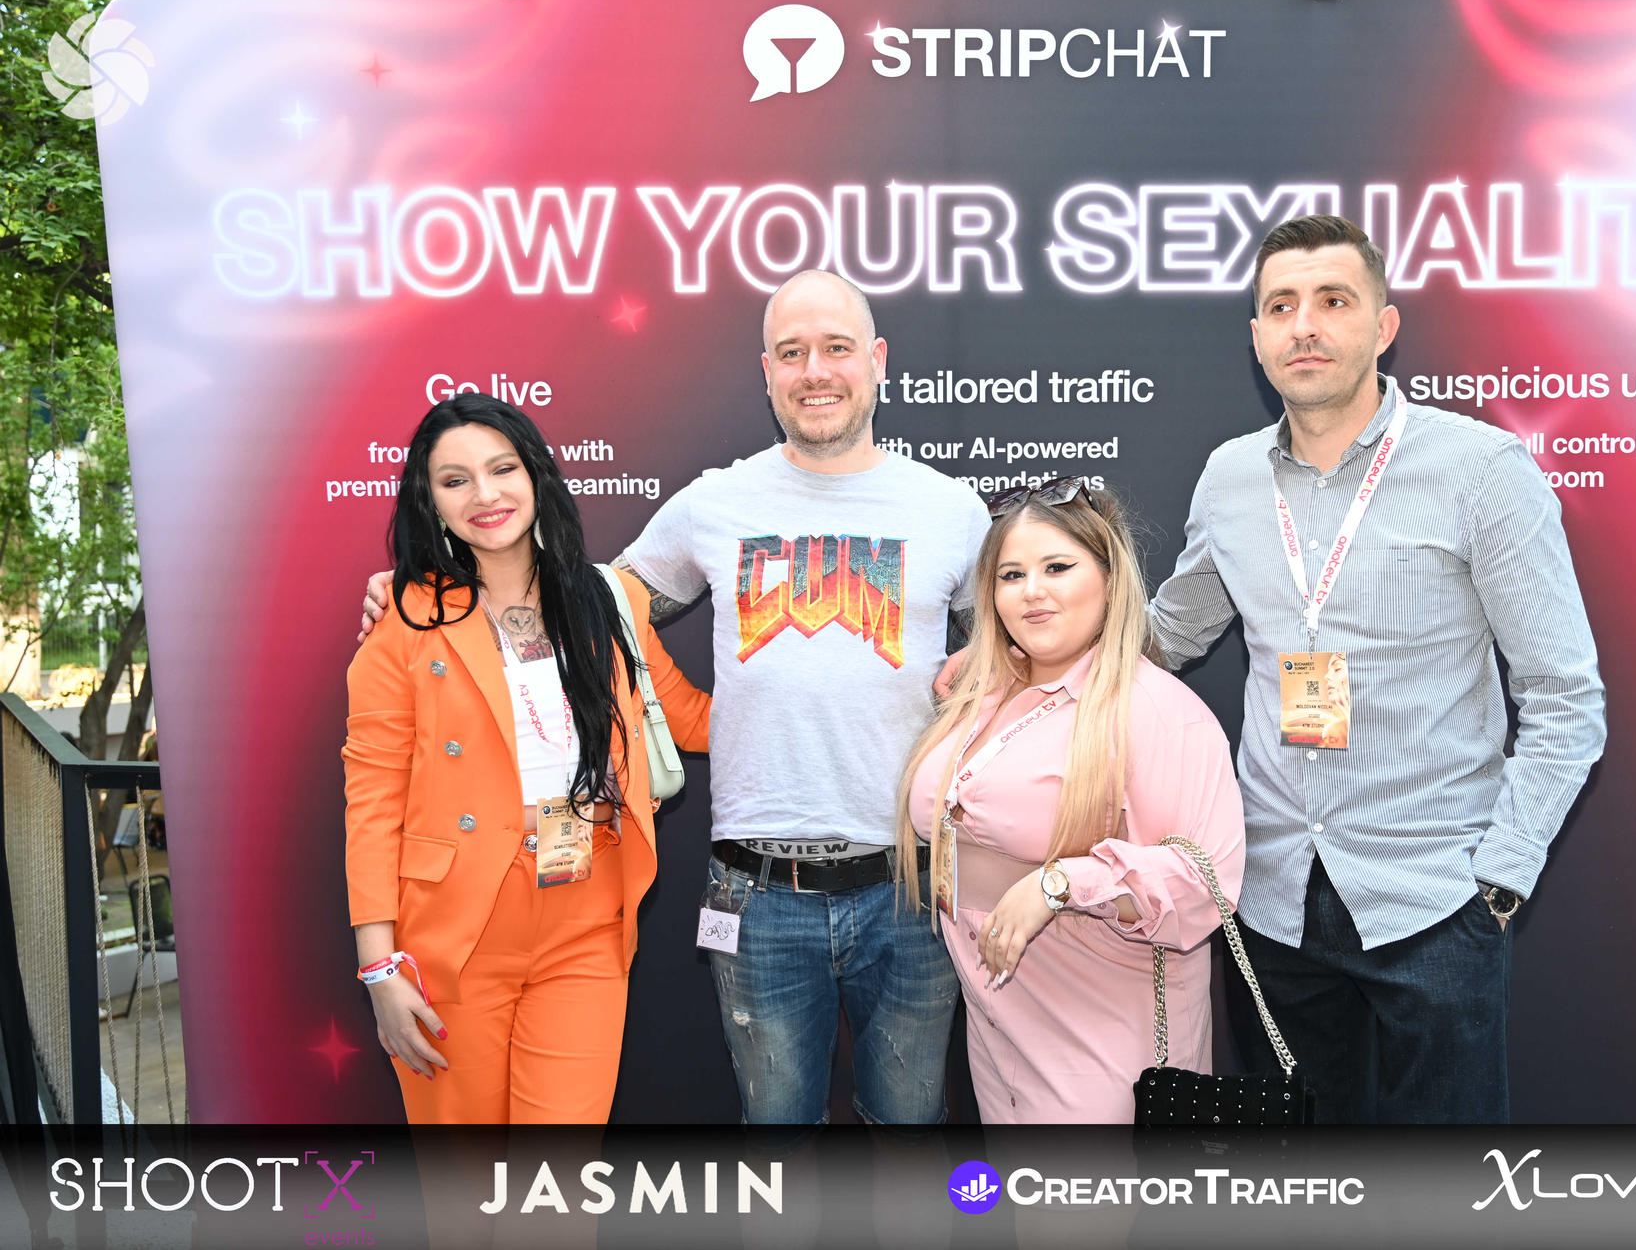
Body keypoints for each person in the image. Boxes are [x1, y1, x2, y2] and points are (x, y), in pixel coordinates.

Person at [360, 271, 992, 1126]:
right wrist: (423, 596)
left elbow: (1014, 653)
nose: (815, 371)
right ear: (766, 371)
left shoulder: (952, 509)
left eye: (837, 348)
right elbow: (591, 604)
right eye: (792, 353)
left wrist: (987, 666)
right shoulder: (713, 503)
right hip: (757, 895)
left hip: (911, 887)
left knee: (911, 1128)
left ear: (877, 360)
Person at [1149, 214, 1606, 1122]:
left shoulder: (1481, 468)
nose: (1305, 326)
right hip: (1272, 904)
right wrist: (1010, 662)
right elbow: (1169, 632)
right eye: (1282, 306)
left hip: (1434, 904)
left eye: (1334, 301)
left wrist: (1499, 878)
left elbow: (1564, 698)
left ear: (1384, 325)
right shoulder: (1229, 478)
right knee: (1304, 1183)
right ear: (1257, 337)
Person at [344, 392, 710, 1123]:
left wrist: (862, 698)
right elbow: (373, 802)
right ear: (430, 501)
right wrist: (380, 968)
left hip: (587, 919)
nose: (485, 494)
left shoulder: (608, 601)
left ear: (536, 474)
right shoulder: (405, 623)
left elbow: (692, 718)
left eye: (502, 468)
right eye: (455, 480)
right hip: (455, 931)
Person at [900, 479, 1245, 1123]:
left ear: (1110, 579)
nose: (1032, 590)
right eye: (1012, 575)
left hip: (1101, 1035)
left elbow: (1205, 885)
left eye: (1057, 567)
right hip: (999, 1023)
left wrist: (1059, 884)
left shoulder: (1159, 711)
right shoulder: (982, 700)